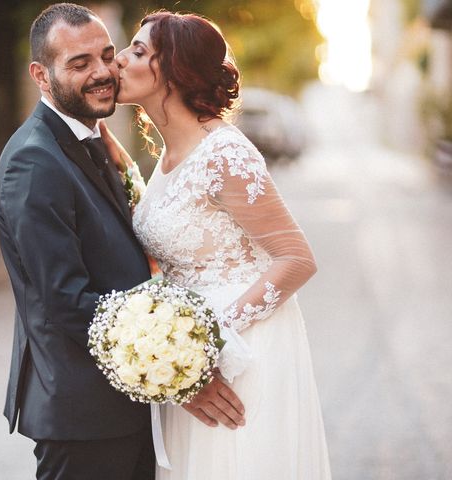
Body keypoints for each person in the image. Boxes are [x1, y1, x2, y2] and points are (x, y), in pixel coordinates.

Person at [0, 4, 244, 479]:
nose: (103, 72)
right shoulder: (35, 163)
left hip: (123, 409)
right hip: (82, 419)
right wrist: (178, 373)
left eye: (107, 55)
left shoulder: (93, 140)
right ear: (41, 76)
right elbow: (68, 303)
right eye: (79, 63)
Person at [105, 11, 332, 479]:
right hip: (189, 357)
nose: (120, 60)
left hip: (242, 351)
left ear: (177, 74)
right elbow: (172, 234)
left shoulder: (225, 153)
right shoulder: (167, 157)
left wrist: (207, 338)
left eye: (140, 51)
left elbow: (296, 258)